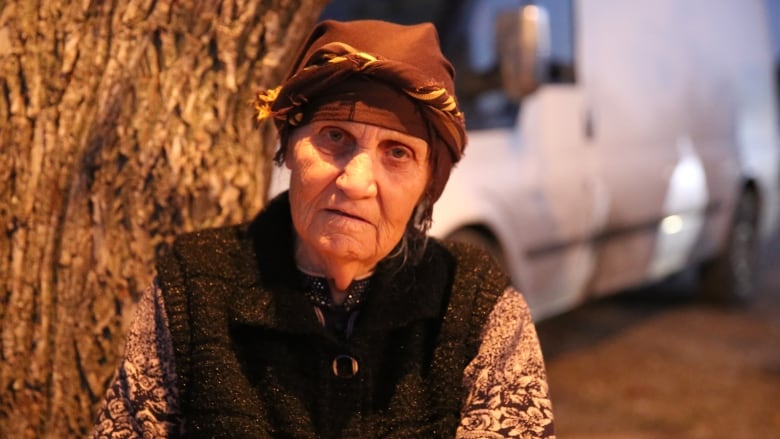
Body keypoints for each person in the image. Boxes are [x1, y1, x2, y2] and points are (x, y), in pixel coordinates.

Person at [92, 19, 555, 439]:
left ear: (427, 186)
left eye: (397, 152)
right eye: (334, 136)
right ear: (290, 146)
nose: (355, 183)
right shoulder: (192, 289)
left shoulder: (475, 302)